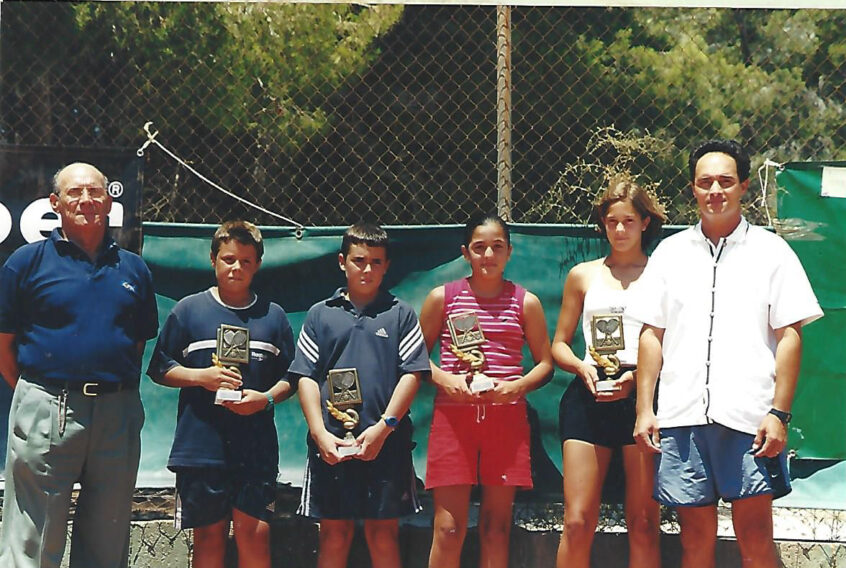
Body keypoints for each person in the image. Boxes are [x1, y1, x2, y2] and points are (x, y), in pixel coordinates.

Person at [631, 139, 823, 568]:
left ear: (743, 188)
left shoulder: (773, 253)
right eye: (705, 182)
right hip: (682, 419)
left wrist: (779, 414)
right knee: (694, 541)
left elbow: (790, 335)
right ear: (692, 190)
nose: (715, 190)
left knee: (755, 539)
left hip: (750, 422)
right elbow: (651, 333)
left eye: (725, 181)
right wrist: (645, 409)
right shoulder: (670, 253)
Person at [0, 163, 158, 568]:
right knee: (31, 541)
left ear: (109, 202)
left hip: (116, 413)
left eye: (95, 192)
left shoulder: (134, 269)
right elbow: (4, 344)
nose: (86, 200)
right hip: (46, 407)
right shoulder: (25, 263)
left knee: (107, 538)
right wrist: (40, 394)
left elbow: (136, 344)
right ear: (55, 203)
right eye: (74, 193)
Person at [146, 220, 295, 568]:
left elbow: (292, 377)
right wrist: (202, 377)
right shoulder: (188, 310)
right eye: (229, 259)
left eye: (245, 260)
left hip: (255, 448)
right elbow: (160, 369)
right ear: (213, 260)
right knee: (209, 540)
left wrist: (265, 399)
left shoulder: (274, 317)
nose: (236, 267)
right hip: (202, 448)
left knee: (254, 536)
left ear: (258, 264)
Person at [289, 223, 429, 568]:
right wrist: (320, 434)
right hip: (331, 446)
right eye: (359, 260)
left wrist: (384, 428)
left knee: (383, 537)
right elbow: (304, 376)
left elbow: (413, 374)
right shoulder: (320, 314)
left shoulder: (401, 314)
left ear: (387, 265)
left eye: (376, 262)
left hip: (387, 443)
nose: (367, 269)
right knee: (334, 536)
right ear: (342, 262)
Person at [420, 213, 553, 568]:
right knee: (448, 529)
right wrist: (446, 380)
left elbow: (545, 364)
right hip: (453, 420)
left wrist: (516, 387)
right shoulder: (442, 298)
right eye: (479, 248)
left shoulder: (526, 302)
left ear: (509, 252)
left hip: (506, 421)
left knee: (496, 528)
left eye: (497, 247)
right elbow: (415, 357)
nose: (488, 255)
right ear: (466, 253)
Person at [552, 174, 665, 568]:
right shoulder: (582, 275)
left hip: (643, 400)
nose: (619, 229)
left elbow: (669, 343)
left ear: (645, 222)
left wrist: (635, 380)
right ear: (603, 223)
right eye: (612, 221)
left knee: (645, 522)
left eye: (629, 221)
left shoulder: (662, 274)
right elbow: (559, 344)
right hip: (588, 397)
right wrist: (582, 368)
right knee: (577, 521)